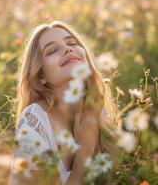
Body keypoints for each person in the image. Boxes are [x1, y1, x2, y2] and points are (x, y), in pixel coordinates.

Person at [9, 20, 121, 185]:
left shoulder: (96, 108)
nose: (68, 49)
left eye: (72, 43)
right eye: (52, 50)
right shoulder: (34, 124)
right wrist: (87, 142)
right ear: (40, 75)